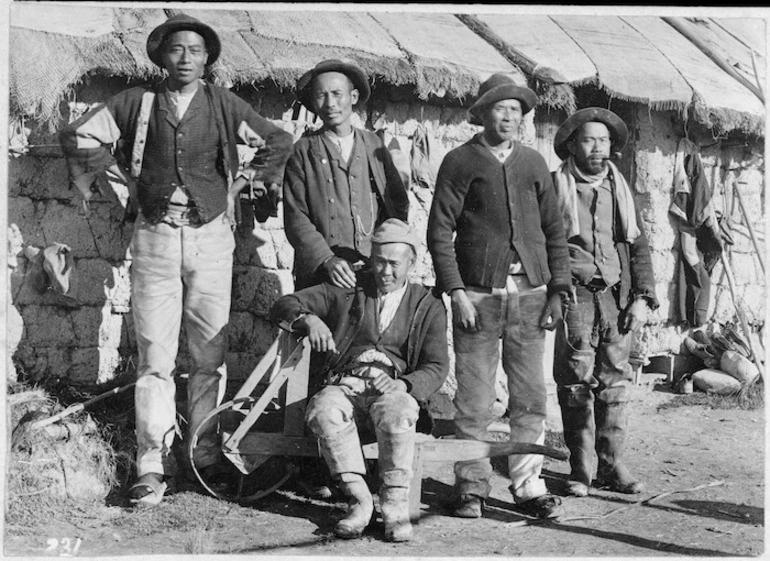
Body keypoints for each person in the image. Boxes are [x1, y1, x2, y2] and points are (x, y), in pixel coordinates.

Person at [59, 13, 294, 506]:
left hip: (211, 238)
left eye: (195, 51)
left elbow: (278, 140)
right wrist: (125, 191)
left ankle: (203, 454)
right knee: (156, 357)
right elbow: (81, 135)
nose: (185, 58)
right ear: (161, 57)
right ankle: (151, 463)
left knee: (210, 353)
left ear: (208, 58)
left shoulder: (223, 103)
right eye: (176, 50)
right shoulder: (137, 103)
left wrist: (240, 184)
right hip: (155, 237)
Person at [427, 74, 571, 520]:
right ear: (483, 114)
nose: (509, 117)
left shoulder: (533, 163)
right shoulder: (459, 161)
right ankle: (471, 486)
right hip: (478, 296)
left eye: (516, 110)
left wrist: (558, 289)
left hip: (530, 293)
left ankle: (528, 486)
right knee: (475, 398)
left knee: (530, 396)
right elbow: (439, 233)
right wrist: (456, 292)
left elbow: (555, 231)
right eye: (499, 109)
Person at [270, 219, 448, 542]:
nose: (385, 272)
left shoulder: (429, 305)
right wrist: (308, 319)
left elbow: (436, 366)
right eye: (379, 261)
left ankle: (394, 508)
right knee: (321, 409)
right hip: (346, 387)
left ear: (412, 262)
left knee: (398, 409)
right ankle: (360, 501)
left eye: (394, 263)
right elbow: (284, 304)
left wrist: (404, 385)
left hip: (391, 394)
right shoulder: (349, 290)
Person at [551, 107, 658, 497]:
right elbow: (545, 243)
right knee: (576, 383)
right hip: (574, 295)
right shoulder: (554, 186)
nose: (597, 147)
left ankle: (612, 465)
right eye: (588, 139)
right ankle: (581, 469)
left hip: (616, 295)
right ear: (572, 145)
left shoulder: (619, 188)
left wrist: (642, 298)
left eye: (604, 140)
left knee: (615, 384)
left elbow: (638, 245)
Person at [283, 59, 409, 290]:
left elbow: (397, 203)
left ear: (352, 97)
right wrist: (327, 259)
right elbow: (295, 217)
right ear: (313, 101)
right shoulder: (302, 151)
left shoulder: (374, 145)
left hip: (372, 272)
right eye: (322, 95)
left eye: (337, 94)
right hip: (321, 273)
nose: (330, 103)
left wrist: (384, 251)